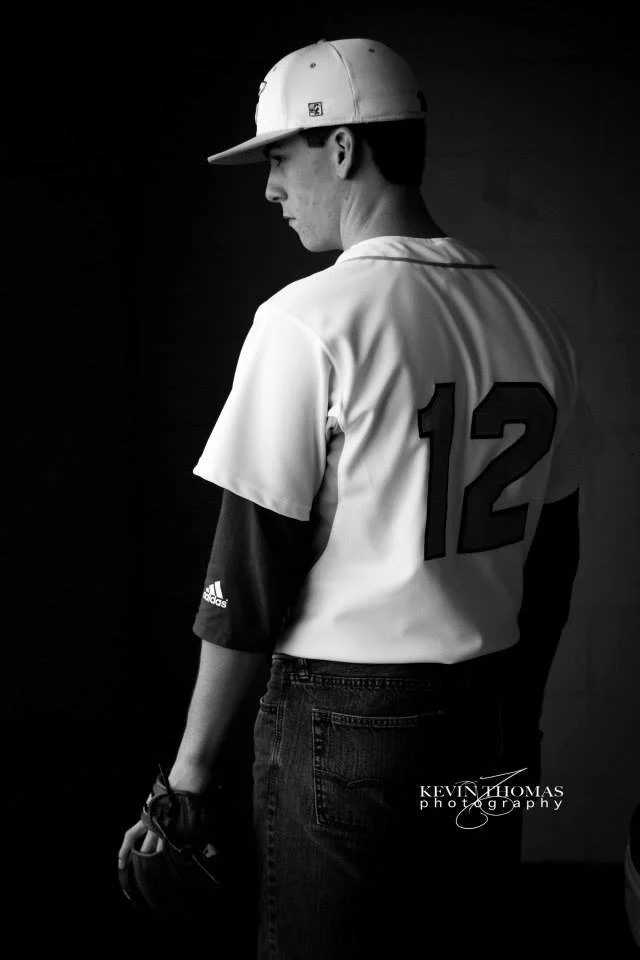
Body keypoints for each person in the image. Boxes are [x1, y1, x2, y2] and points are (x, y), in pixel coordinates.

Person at [119, 38, 599, 958]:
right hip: (493, 715)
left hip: (348, 727)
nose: (269, 188)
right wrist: (518, 724)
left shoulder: (305, 319)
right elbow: (557, 556)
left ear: (343, 147)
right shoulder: (536, 322)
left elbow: (248, 579)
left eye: (278, 158)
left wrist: (186, 778)